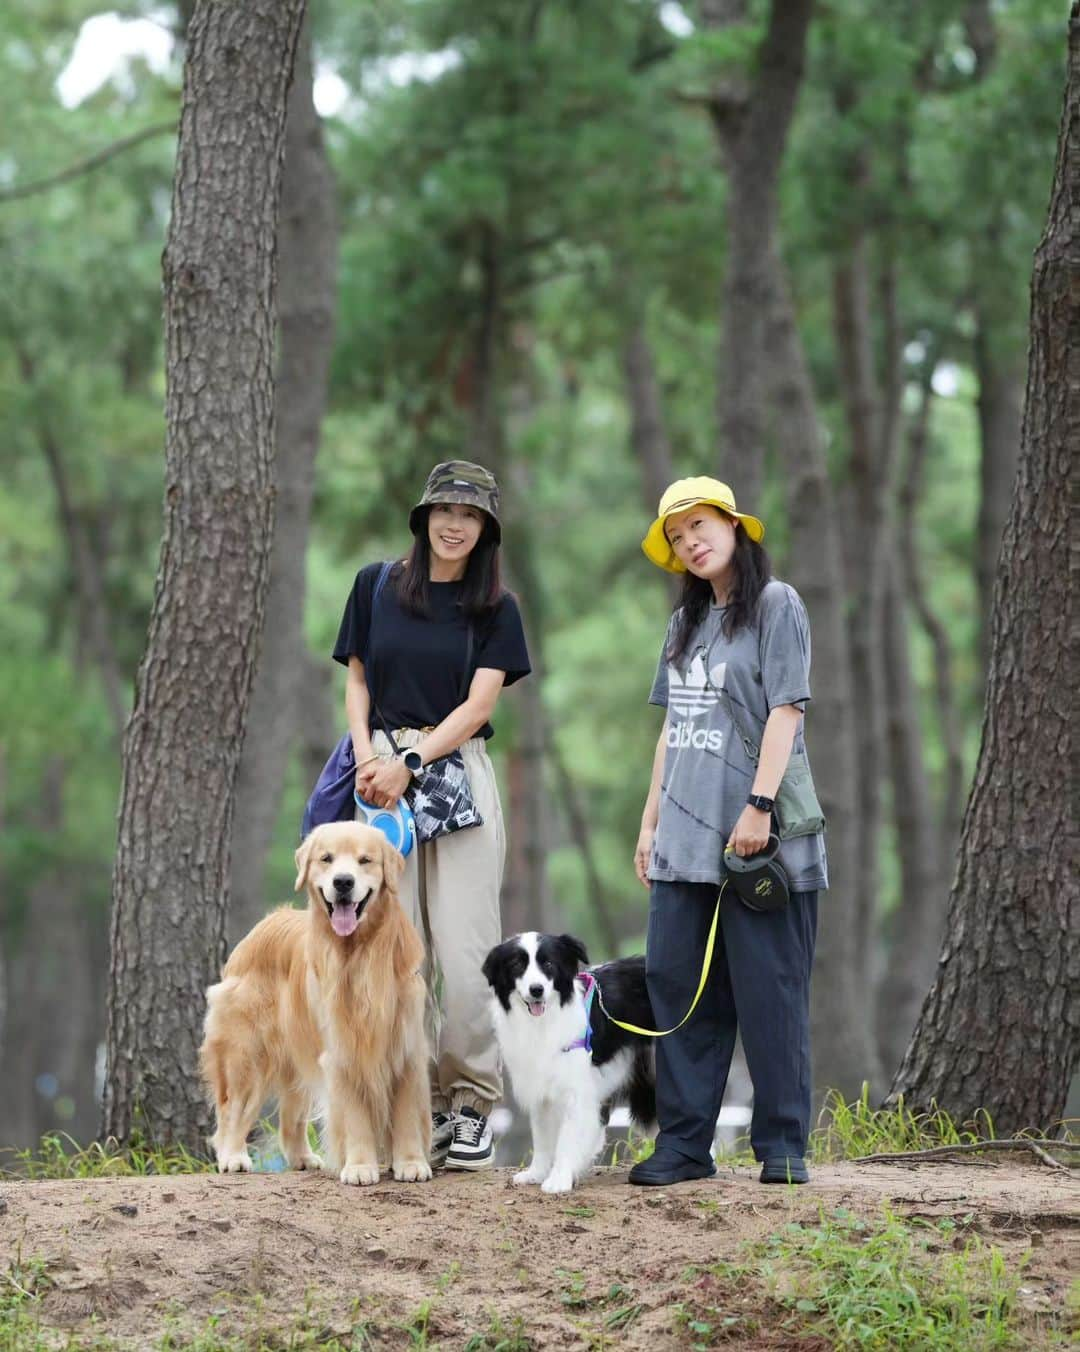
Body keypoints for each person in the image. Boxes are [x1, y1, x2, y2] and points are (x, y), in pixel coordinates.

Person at [332, 460, 531, 1171]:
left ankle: (469, 1104)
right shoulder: (375, 586)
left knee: (467, 946)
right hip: (379, 780)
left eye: (471, 516)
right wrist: (366, 757)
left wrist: (411, 763)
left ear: (486, 530)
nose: (456, 524)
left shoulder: (495, 610)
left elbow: (479, 707)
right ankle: (401, 1106)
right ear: (423, 517)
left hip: (455, 775)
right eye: (445, 510)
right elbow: (357, 677)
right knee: (386, 949)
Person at [629, 477, 826, 1187]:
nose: (692, 541)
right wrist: (650, 823)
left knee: (770, 992)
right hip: (684, 844)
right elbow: (671, 729)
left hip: (759, 842)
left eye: (702, 525)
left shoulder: (776, 605)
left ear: (736, 527)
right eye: (678, 538)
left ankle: (782, 1147)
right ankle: (685, 1146)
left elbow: (787, 710)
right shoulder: (684, 627)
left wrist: (759, 804)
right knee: (680, 995)